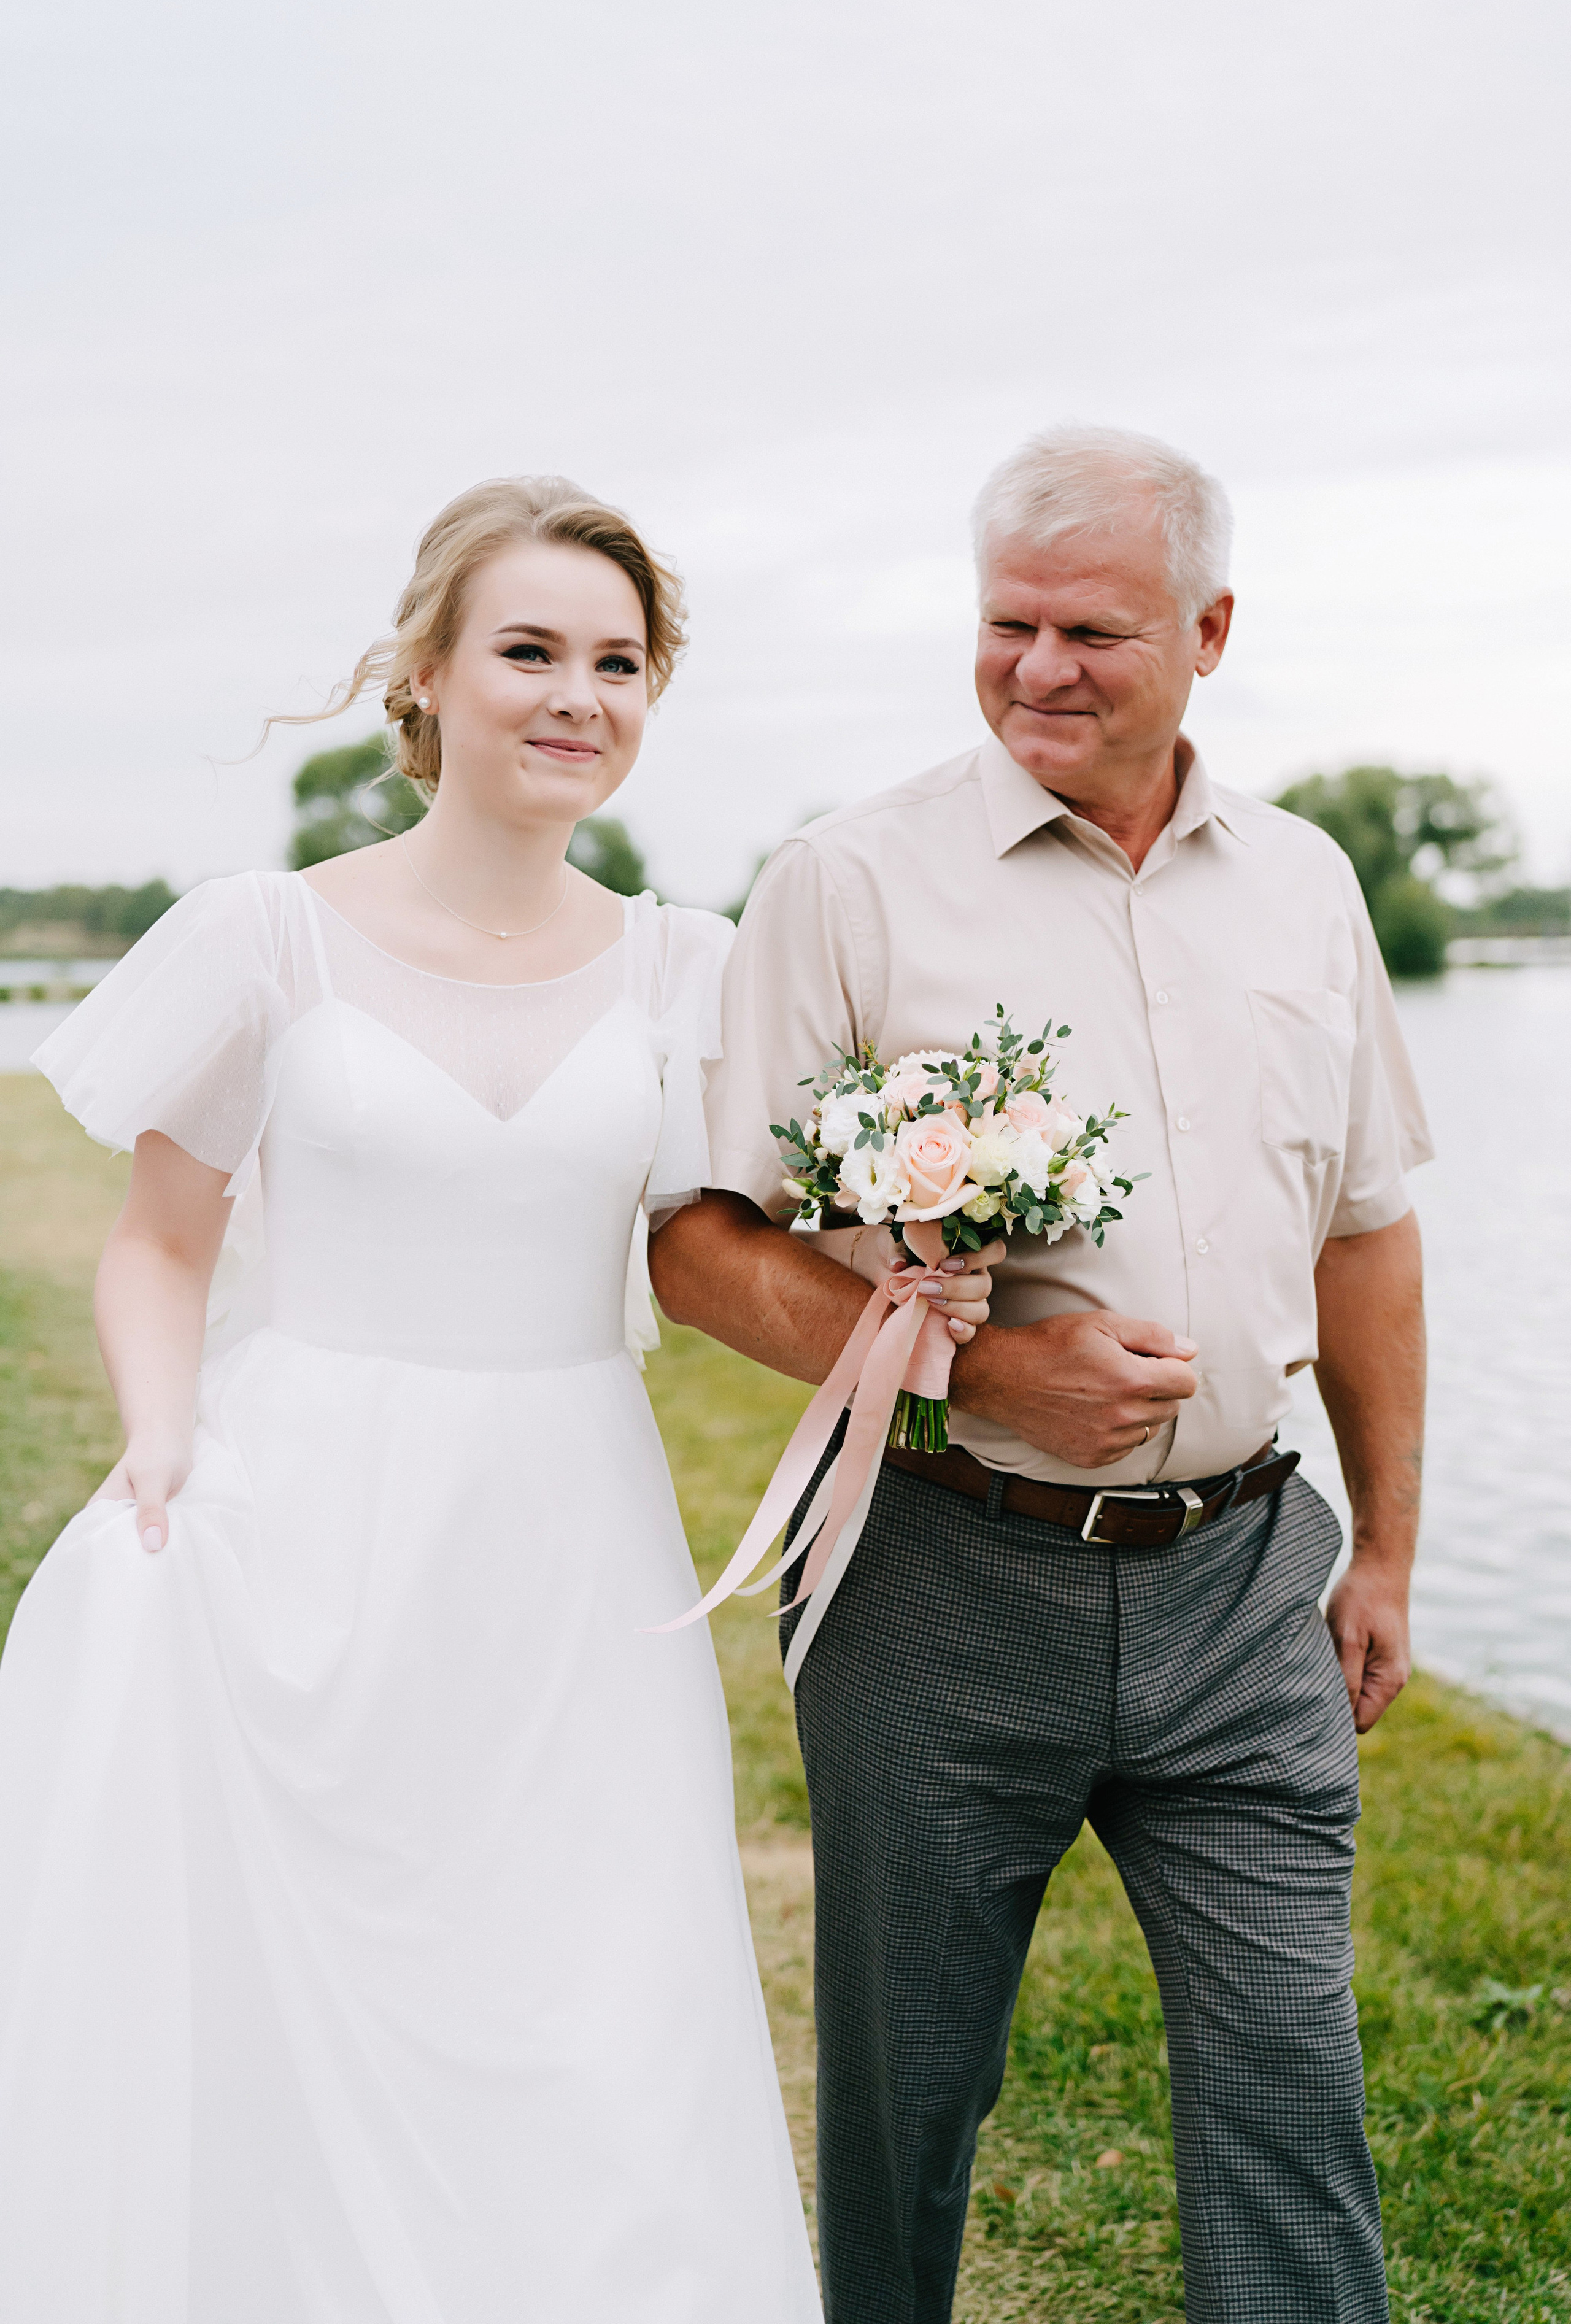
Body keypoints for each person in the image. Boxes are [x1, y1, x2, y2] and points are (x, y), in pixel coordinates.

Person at [0, 477, 824, 2322]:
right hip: (315, 1508)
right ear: (429, 676)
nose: (577, 696)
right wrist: (161, 1432)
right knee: (309, 1973)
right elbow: (158, 1241)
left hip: (571, 1537)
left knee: (590, 1988)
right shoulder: (263, 937)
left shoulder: (686, 964)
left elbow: (727, 1240)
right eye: (531, 650)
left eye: (619, 663)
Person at [649, 425, 1431, 2324]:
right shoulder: (846, 881)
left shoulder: (1311, 884)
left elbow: (1369, 1229)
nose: (1039, 670)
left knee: (1291, 2098)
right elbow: (700, 1245)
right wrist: (987, 1375)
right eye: (1006, 625)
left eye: (1093, 628)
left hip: (1246, 1582)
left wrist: (1388, 1550)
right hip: (933, 1571)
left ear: (1211, 631)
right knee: (910, 2104)